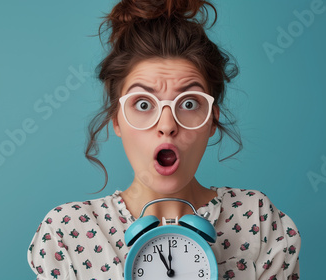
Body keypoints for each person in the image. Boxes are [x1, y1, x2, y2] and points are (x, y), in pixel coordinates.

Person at [27, 0, 301, 279]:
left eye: (189, 103)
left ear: (212, 121)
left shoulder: (257, 220)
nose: (167, 126)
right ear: (117, 120)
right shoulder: (67, 233)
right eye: (144, 104)